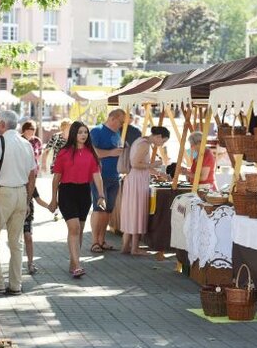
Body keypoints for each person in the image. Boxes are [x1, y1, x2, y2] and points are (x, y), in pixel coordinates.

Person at [0, 110, 36, 296]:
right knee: (16, 242)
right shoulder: (26, 143)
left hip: (3, 193)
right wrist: (27, 200)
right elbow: (32, 174)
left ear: (3, 124)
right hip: (21, 193)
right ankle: (15, 285)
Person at [49, 121, 105, 278]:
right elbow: (56, 178)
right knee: (73, 228)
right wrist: (54, 199)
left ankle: (74, 262)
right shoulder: (64, 153)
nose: (83, 135)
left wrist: (101, 195)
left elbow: (97, 176)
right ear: (74, 134)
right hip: (67, 191)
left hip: (84, 192)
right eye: (80, 132)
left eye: (85, 132)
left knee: (79, 229)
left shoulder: (90, 153)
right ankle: (77, 265)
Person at [120, 127, 170, 255]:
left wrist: (158, 173)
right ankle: (134, 248)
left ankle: (127, 246)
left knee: (132, 212)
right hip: (137, 181)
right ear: (158, 136)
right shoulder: (145, 145)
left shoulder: (141, 141)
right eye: (163, 141)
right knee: (137, 212)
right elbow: (136, 164)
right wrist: (153, 165)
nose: (162, 144)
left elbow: (140, 165)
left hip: (135, 179)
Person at [89, 108, 125, 253]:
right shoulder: (97, 131)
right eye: (121, 121)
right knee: (99, 209)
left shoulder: (116, 133)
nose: (121, 125)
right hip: (100, 176)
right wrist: (111, 152)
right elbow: (92, 153)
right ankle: (94, 242)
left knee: (108, 211)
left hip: (114, 176)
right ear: (113, 118)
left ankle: (102, 240)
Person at [20, 119, 47, 275]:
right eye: (29, 129)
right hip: (15, 204)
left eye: (34, 129)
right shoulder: (20, 141)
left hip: (27, 208)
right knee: (16, 238)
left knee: (28, 236)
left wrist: (51, 206)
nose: (32, 131)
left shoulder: (37, 141)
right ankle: (16, 263)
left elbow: (37, 198)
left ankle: (30, 263)